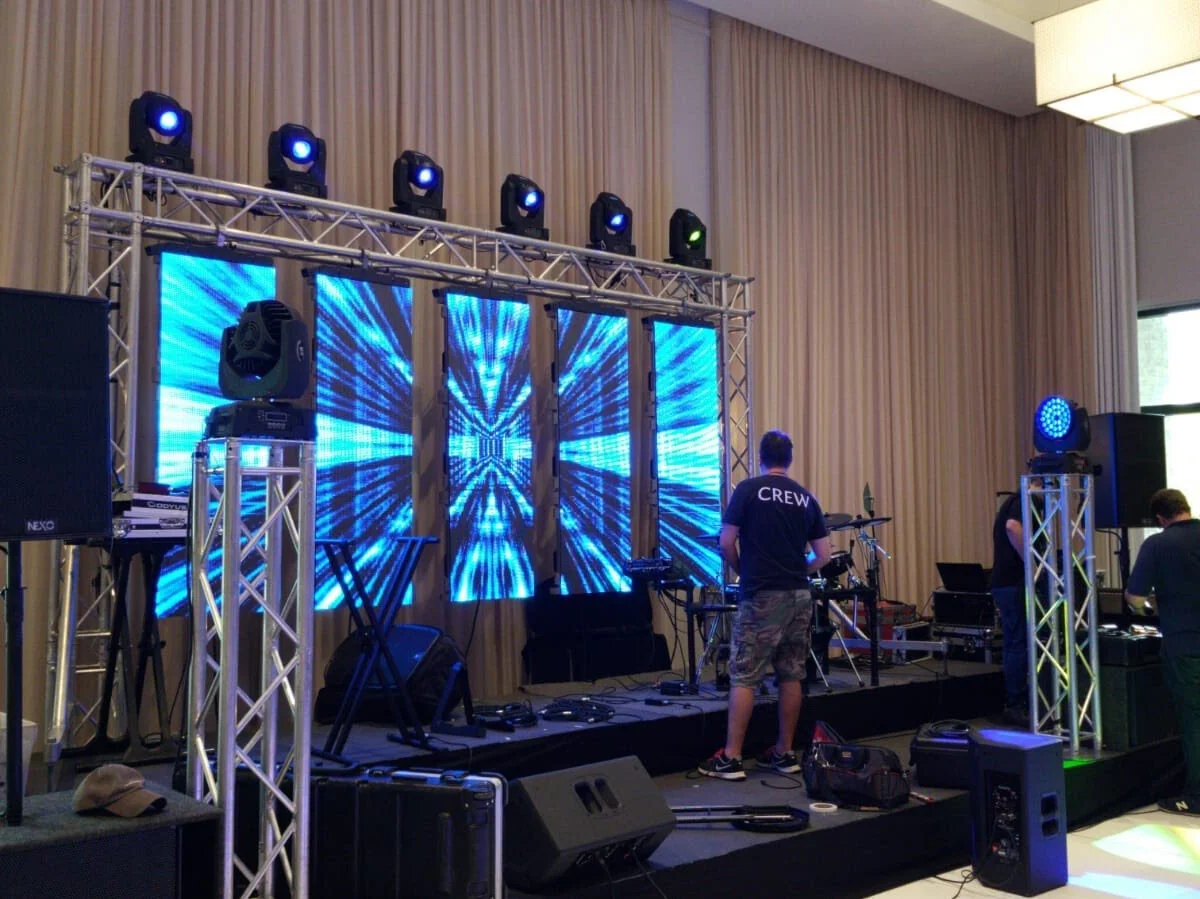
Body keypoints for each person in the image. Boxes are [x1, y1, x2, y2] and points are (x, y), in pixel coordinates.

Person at [698, 430, 832, 780]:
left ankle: (731, 758)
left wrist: (742, 569)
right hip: (799, 595)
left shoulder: (748, 490)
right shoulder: (806, 497)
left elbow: (726, 541)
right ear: (789, 459)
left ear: (760, 458)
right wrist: (797, 569)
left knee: (744, 674)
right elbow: (824, 555)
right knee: (791, 673)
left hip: (761, 594)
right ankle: (785, 753)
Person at [1126, 488, 1200, 816]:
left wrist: (1149, 610)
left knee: (1194, 721)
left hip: (1185, 645)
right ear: (1186, 507)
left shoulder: (1158, 544)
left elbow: (1135, 597)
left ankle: (1197, 796)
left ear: (1160, 518)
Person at [990, 486, 1036, 726]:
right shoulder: (1024, 501)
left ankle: (1016, 702)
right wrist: (1033, 565)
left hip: (1005, 583)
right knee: (1019, 644)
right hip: (1014, 583)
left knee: (1015, 643)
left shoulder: (1012, 501)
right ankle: (1017, 704)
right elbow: (1013, 527)